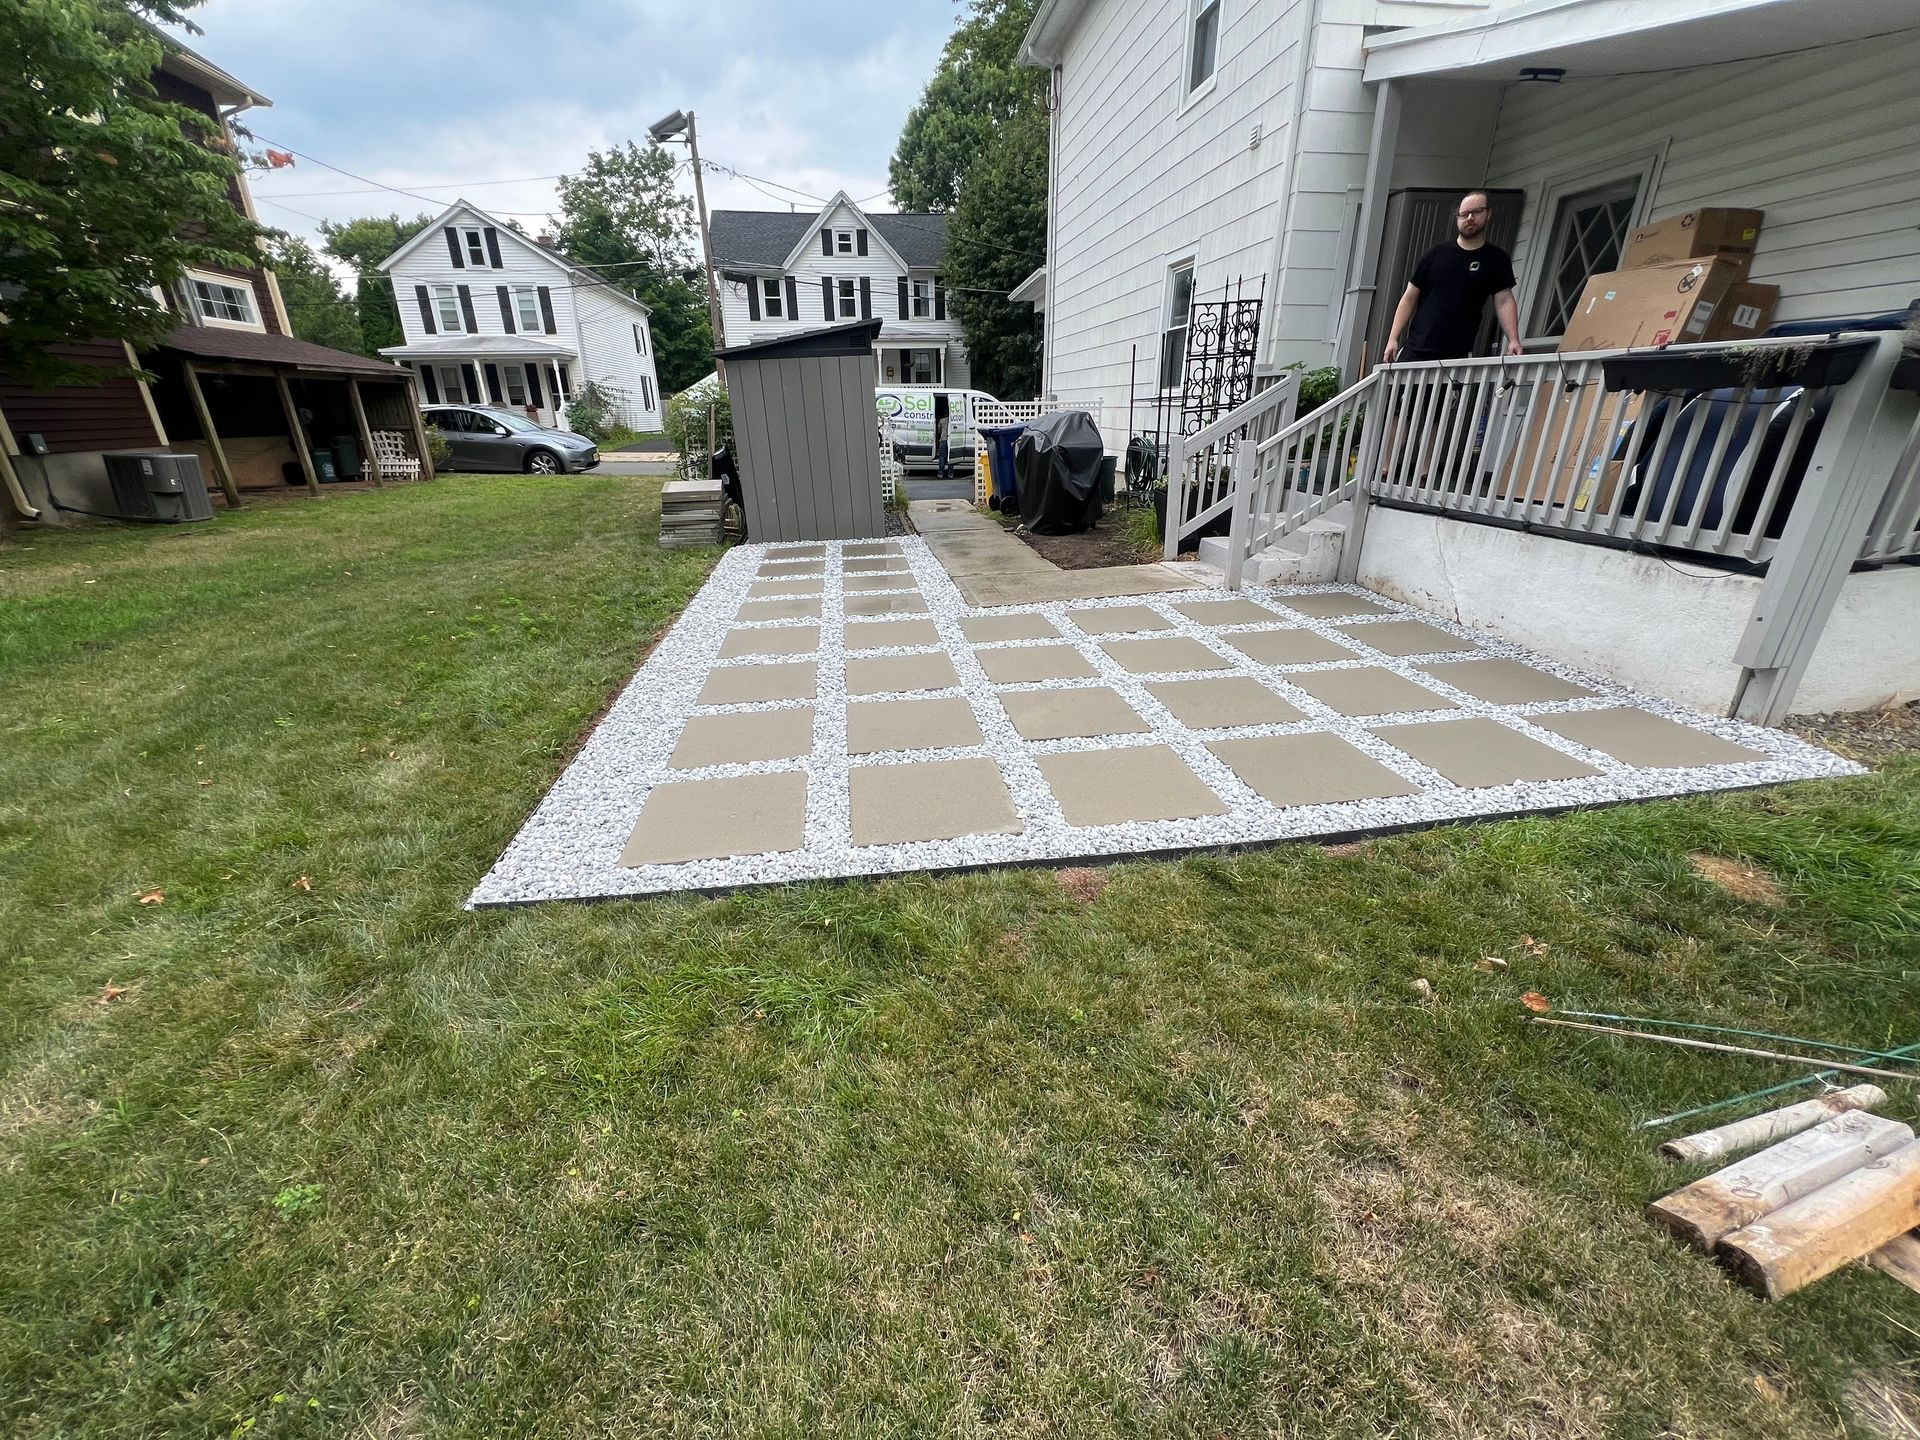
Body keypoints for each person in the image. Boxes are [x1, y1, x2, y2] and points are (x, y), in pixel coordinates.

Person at [1383, 191, 1522, 363]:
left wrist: (1513, 339)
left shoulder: (1495, 259)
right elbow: (1409, 298)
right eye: (1464, 214)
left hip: (1456, 357)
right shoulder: (1434, 255)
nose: (1470, 218)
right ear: (1457, 218)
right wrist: (1393, 338)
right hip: (1415, 351)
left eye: (1476, 212)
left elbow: (1504, 301)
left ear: (1488, 213)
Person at [933, 394, 953, 479]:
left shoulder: (941, 421)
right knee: (951, 457)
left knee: (942, 456)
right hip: (951, 439)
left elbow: (938, 431)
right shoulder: (953, 420)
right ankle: (950, 473)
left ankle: (940, 473)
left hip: (943, 439)